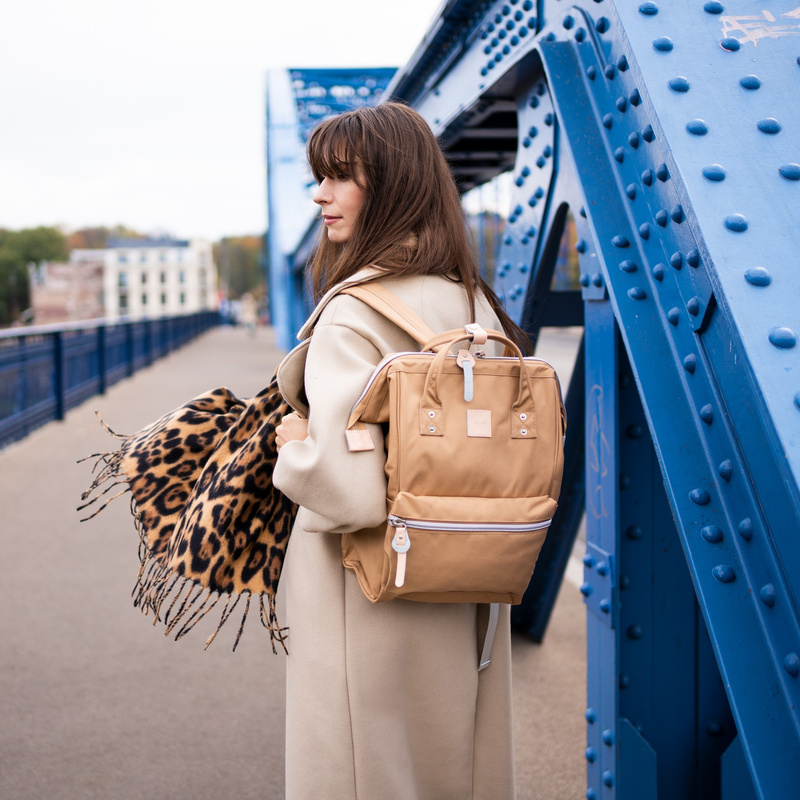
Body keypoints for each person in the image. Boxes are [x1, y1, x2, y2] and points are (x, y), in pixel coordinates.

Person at [273, 102, 529, 800]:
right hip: (465, 570)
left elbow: (350, 490)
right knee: (452, 759)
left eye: (339, 177)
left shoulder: (355, 313)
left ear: (389, 183)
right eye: (317, 178)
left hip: (373, 588)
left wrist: (293, 447)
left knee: (365, 765)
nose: (319, 196)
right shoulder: (473, 302)